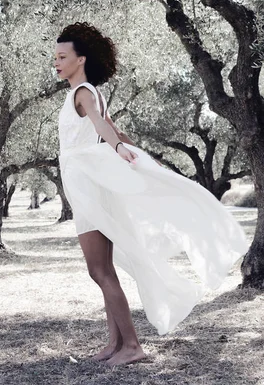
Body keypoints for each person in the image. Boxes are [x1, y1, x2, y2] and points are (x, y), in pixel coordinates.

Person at [53, 22, 248, 366]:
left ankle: (131, 346)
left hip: (89, 187)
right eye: (55, 57)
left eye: (62, 56)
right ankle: (115, 344)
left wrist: (117, 147)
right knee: (105, 268)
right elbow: (113, 128)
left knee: (98, 270)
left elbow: (101, 126)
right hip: (89, 184)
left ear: (80, 59)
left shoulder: (82, 92)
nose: (56, 62)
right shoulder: (89, 91)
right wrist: (143, 158)